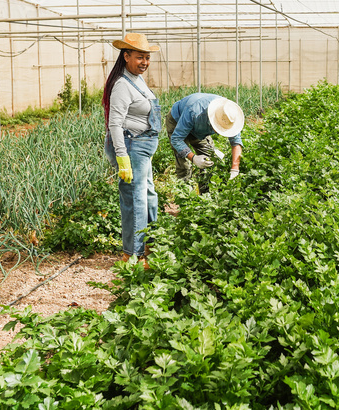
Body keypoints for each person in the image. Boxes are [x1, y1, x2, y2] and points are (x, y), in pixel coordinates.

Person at [101, 33, 161, 268]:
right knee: (136, 200)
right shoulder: (122, 85)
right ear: (126, 57)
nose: (144, 62)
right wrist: (122, 157)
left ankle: (150, 244)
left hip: (142, 147)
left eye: (147, 57)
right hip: (131, 146)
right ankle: (133, 255)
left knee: (149, 196)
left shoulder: (137, 80)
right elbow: (114, 124)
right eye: (140, 57)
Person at [166, 93, 245, 194]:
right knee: (184, 166)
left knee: (209, 161)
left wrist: (235, 169)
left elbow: (236, 142)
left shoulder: (229, 115)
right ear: (213, 120)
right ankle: (186, 197)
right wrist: (193, 158)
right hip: (177, 121)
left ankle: (205, 197)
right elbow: (177, 139)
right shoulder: (195, 111)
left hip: (199, 130)